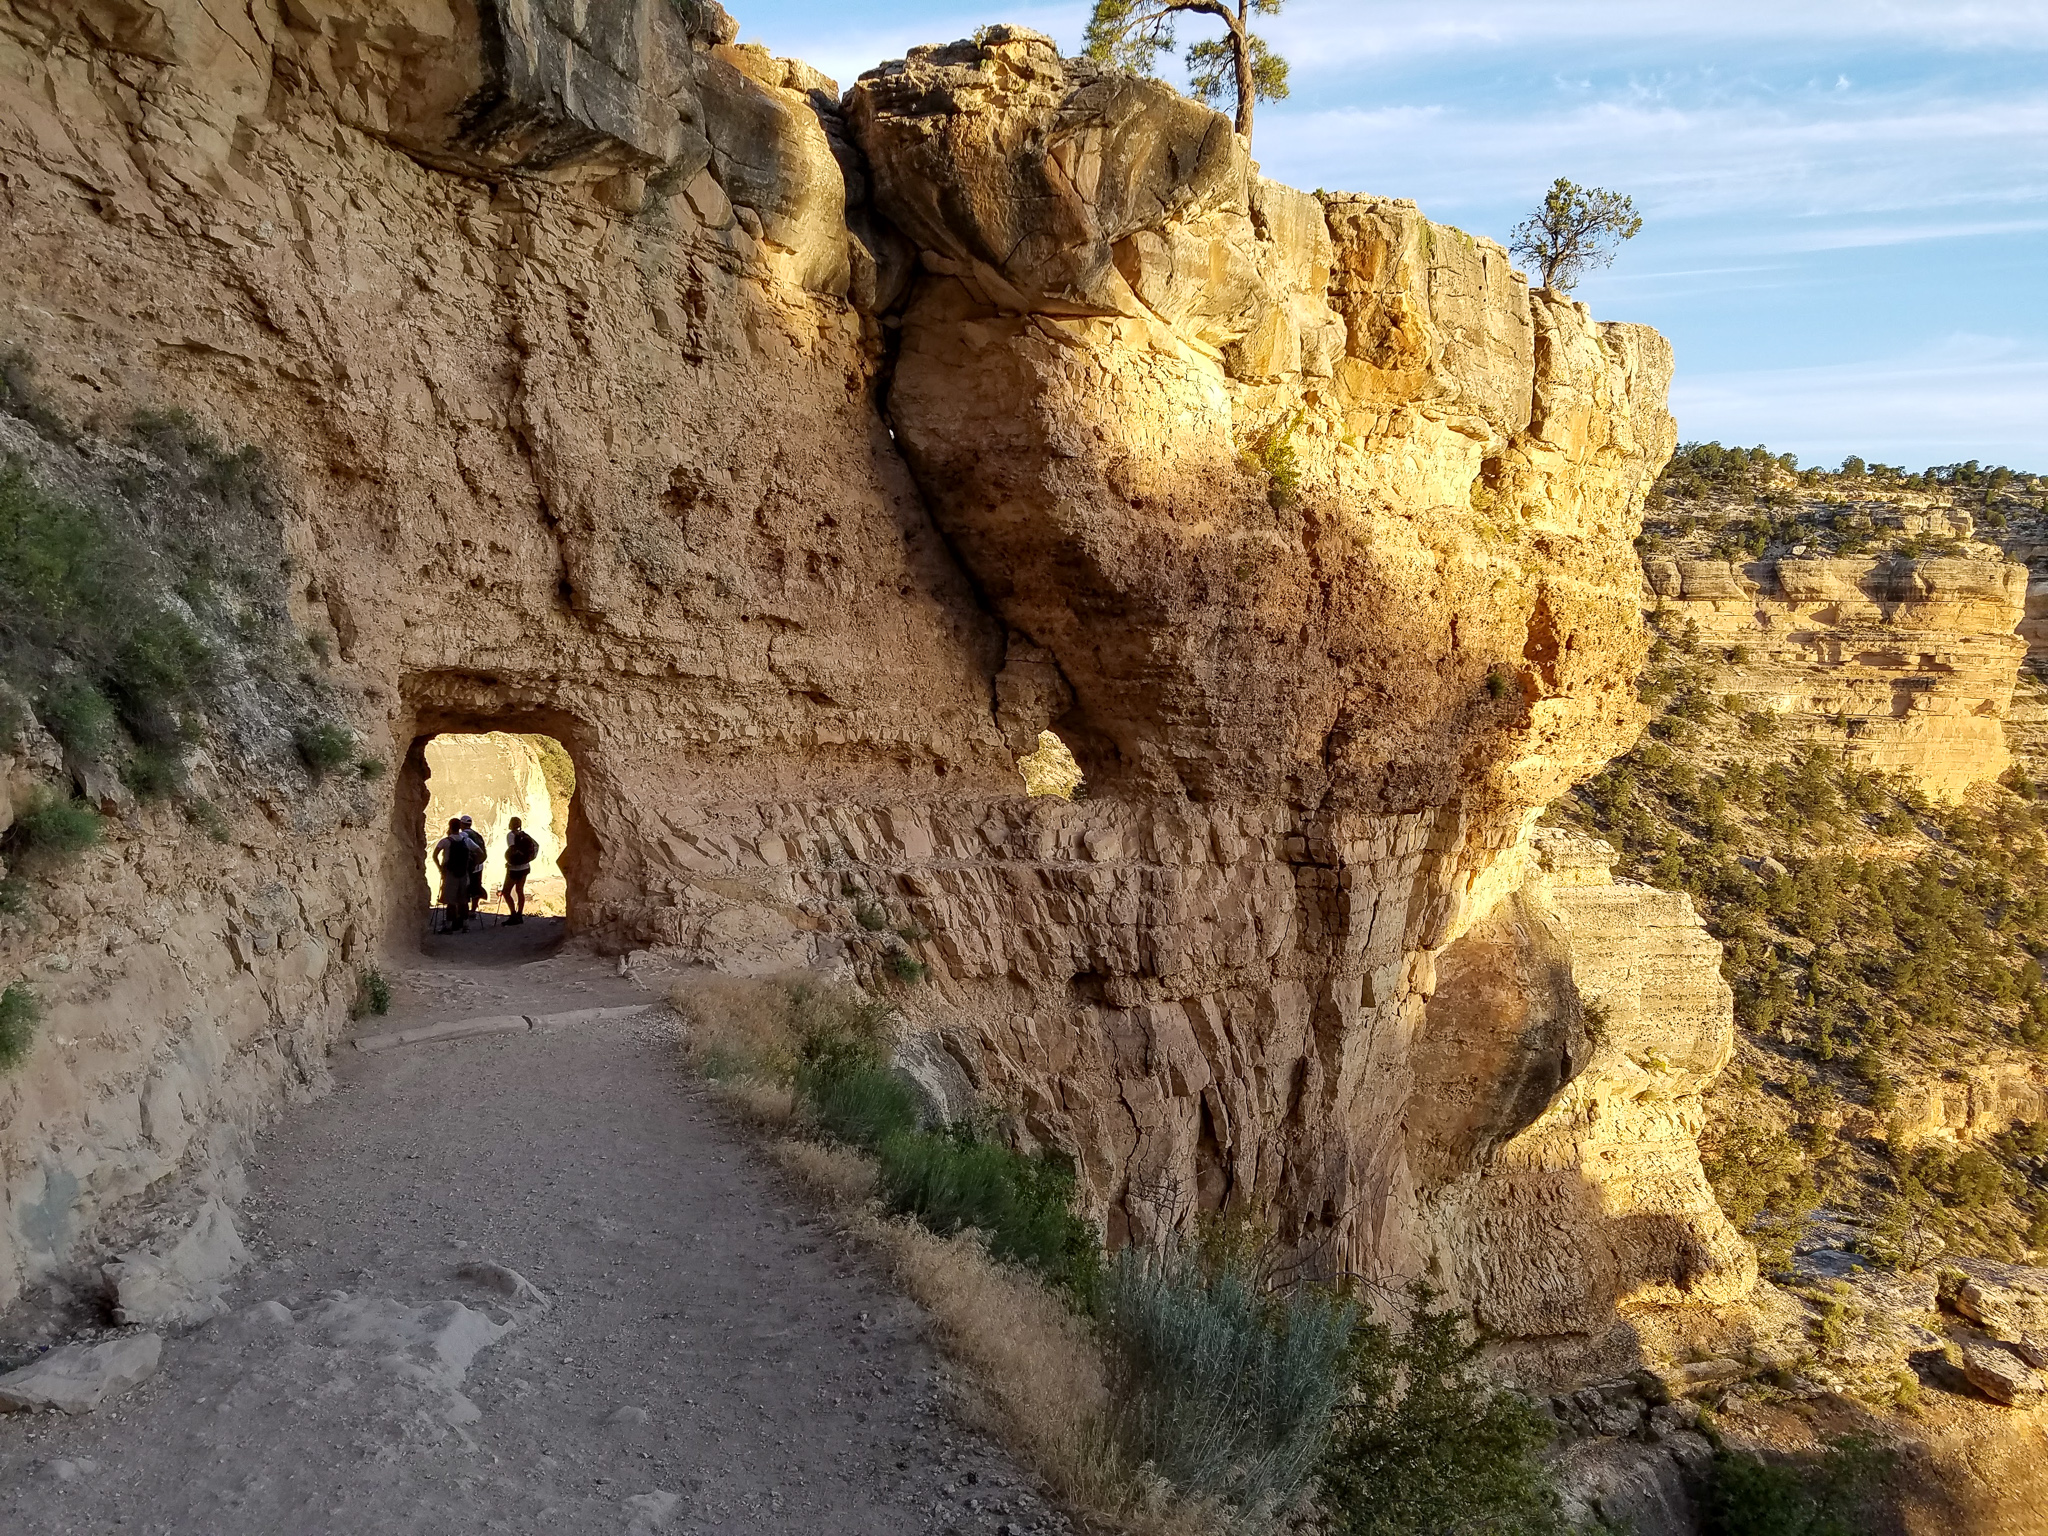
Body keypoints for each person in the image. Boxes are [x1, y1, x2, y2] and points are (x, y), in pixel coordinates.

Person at [432, 817, 476, 932]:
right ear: (459, 827)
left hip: (450, 874)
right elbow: (479, 852)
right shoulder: (466, 841)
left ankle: (448, 926)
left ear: (450, 827)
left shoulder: (445, 841)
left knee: (450, 901)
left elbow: (434, 855)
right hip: (464, 873)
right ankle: (465, 926)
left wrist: (440, 868)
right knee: (464, 900)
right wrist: (472, 866)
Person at [502, 816, 539, 925]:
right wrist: (528, 859)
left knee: (506, 891)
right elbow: (536, 846)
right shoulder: (525, 835)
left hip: (514, 869)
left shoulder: (510, 835)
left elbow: (512, 850)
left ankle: (513, 914)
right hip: (525, 867)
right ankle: (520, 914)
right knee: (520, 890)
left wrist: (510, 861)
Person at [459, 815, 488, 921]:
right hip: (479, 865)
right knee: (476, 887)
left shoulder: (463, 835)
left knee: (464, 887)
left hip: (468, 866)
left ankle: (464, 911)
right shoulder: (477, 834)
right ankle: (473, 910)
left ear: (462, 824)